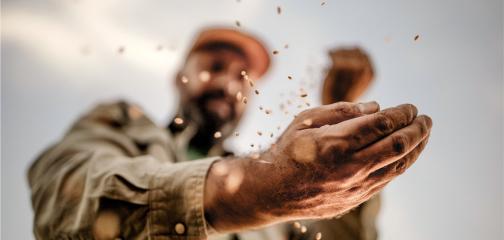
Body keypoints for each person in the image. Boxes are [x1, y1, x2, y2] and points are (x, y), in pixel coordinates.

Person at [28, 27, 432, 240]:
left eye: (242, 77)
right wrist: (254, 190)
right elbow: (66, 192)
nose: (227, 83)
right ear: (180, 77)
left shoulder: (287, 210)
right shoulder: (125, 123)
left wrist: (348, 138)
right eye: (214, 66)